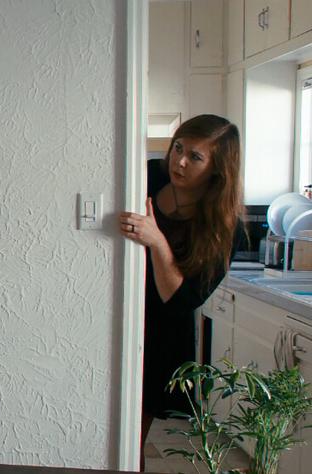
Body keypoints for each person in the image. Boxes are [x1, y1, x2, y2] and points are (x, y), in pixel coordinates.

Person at [118, 114, 243, 469]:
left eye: (195, 156)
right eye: (178, 148)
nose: (180, 161)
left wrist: (157, 241)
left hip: (161, 335)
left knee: (131, 440)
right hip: (119, 313)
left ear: (218, 168)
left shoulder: (222, 227)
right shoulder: (148, 175)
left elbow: (181, 301)